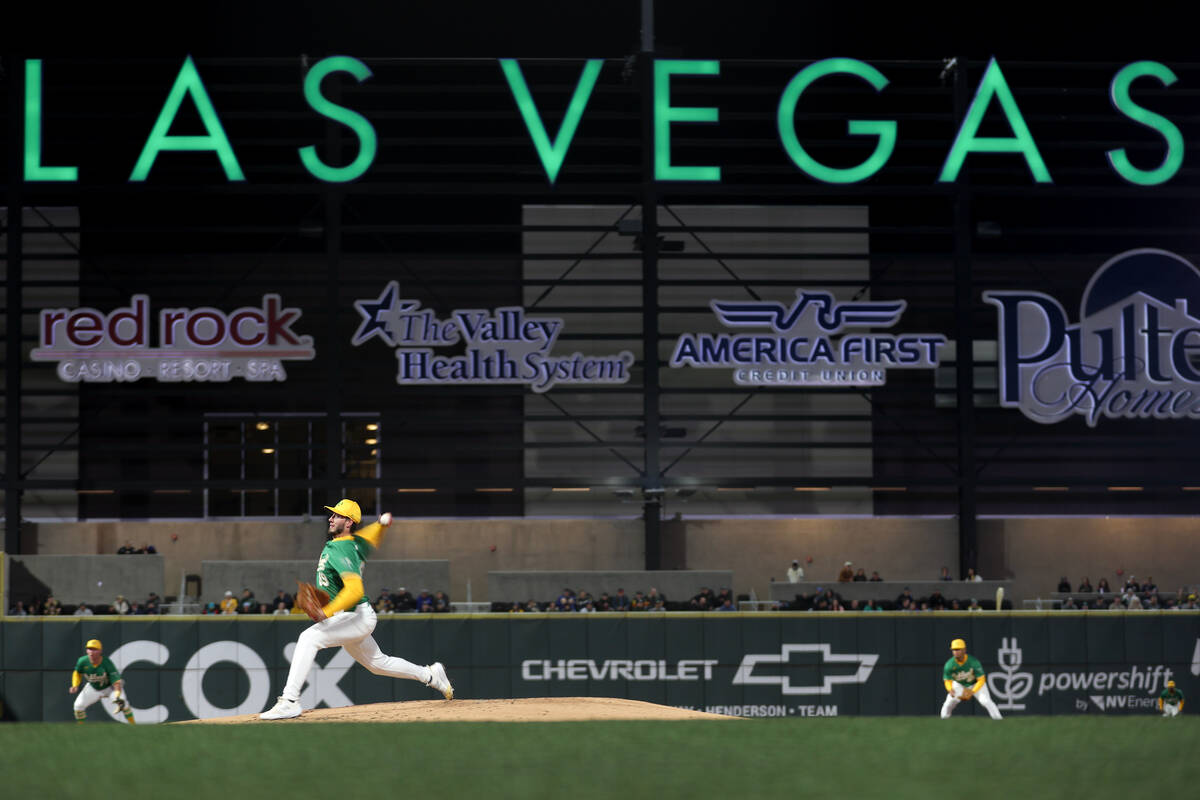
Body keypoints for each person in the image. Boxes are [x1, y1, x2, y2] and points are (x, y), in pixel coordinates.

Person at [260, 499, 452, 720]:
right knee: (378, 663)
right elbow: (369, 537)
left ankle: (290, 701)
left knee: (308, 638)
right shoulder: (353, 543)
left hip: (355, 616)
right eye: (332, 515)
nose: (331, 518)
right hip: (351, 617)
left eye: (337, 515)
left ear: (349, 522)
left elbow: (354, 589)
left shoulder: (342, 547)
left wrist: (326, 611)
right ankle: (430, 675)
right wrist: (380, 525)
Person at [70, 638, 135, 724]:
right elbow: (77, 673)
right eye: (89, 649)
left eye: (95, 649)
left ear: (100, 651)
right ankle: (80, 729)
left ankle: (133, 725)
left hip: (109, 687)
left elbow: (116, 681)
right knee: (78, 706)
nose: (91, 652)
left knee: (124, 703)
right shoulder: (82, 661)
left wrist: (118, 695)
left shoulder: (106, 663)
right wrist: (75, 685)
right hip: (93, 687)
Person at [940, 638, 1002, 720]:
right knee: (949, 702)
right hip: (959, 684)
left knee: (985, 701)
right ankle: (943, 720)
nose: (955, 651)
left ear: (964, 650)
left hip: (975, 683)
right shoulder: (949, 664)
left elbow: (981, 679)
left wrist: (972, 691)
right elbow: (947, 680)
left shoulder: (973, 662)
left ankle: (998, 719)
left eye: (958, 649)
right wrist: (950, 689)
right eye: (954, 649)